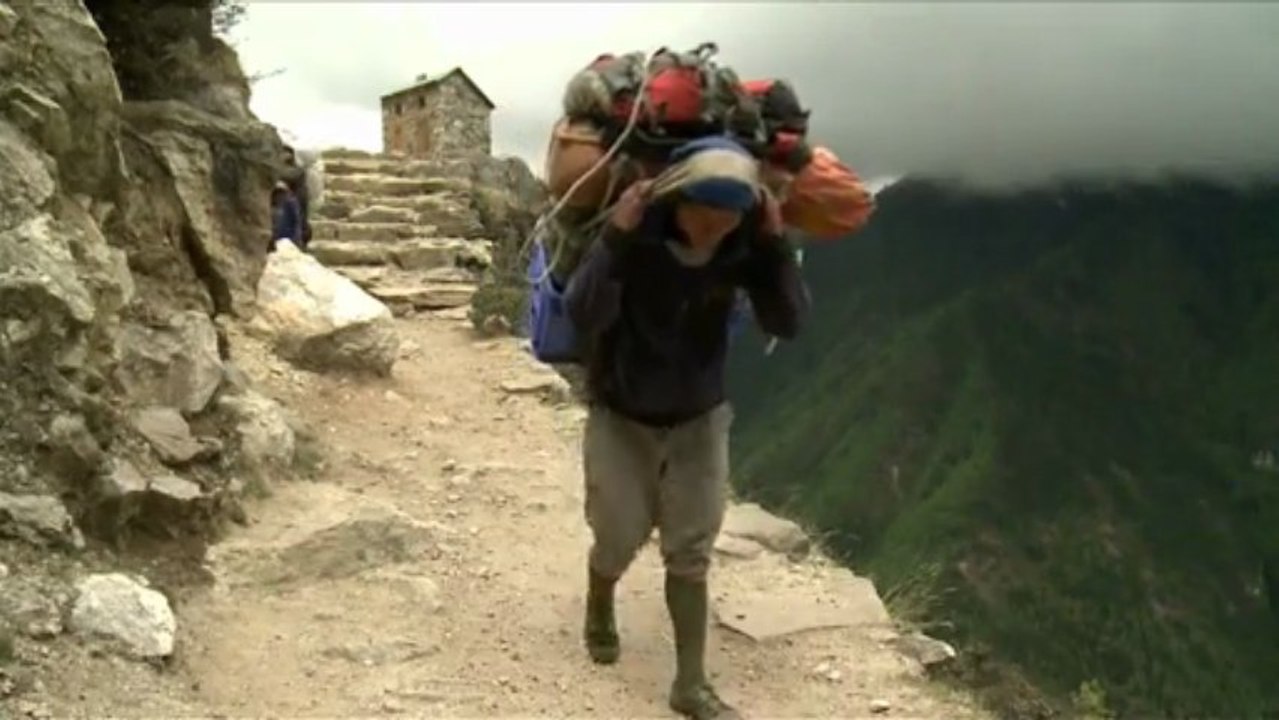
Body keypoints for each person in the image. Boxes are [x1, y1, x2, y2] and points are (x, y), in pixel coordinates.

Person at [563, 137, 808, 720]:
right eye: (704, 212)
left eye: (728, 216)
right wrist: (613, 237)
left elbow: (789, 321)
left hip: (700, 417)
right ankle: (601, 595)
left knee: (690, 550)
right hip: (622, 415)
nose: (714, 225)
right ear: (676, 201)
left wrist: (774, 246)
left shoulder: (743, 249)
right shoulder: (638, 242)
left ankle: (690, 685)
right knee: (618, 535)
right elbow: (582, 311)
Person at [269, 180, 303, 251]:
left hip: (289, 239)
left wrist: (296, 239)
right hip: (277, 240)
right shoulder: (273, 207)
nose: (279, 196)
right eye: (277, 193)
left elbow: (297, 221)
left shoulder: (291, 203)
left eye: (281, 193)